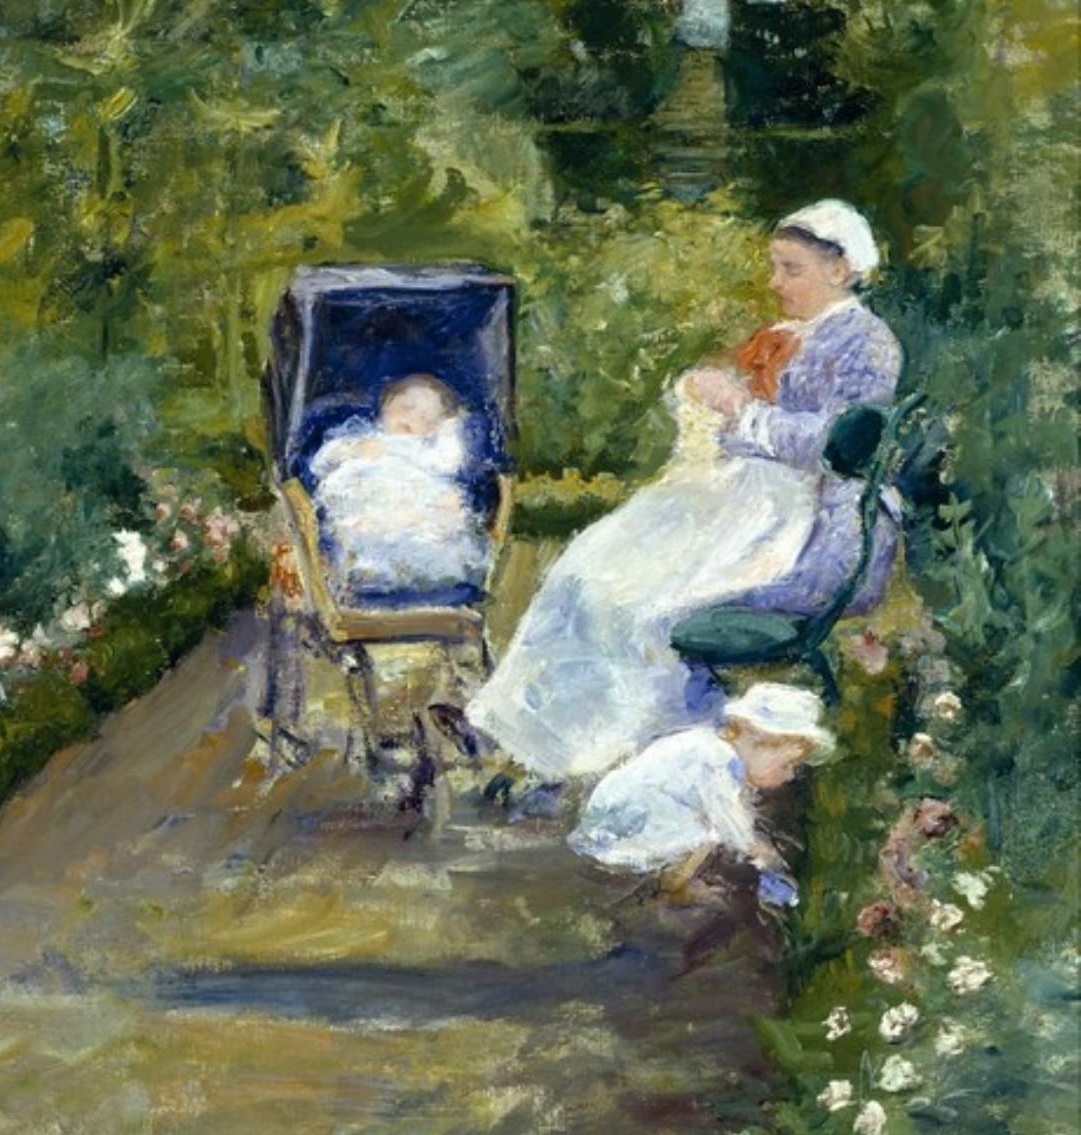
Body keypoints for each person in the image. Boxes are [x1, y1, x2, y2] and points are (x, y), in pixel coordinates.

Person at [434, 199, 902, 783]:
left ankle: (624, 757)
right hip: (745, 500)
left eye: (792, 269)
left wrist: (742, 411)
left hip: (812, 529)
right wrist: (713, 403)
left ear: (841, 269)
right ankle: (515, 734)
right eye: (776, 268)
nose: (775, 283)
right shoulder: (788, 335)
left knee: (637, 609)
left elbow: (839, 447)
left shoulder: (867, 342)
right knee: (582, 573)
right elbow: (751, 429)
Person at [567, 683, 835, 907]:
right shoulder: (717, 760)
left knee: (705, 828)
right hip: (623, 829)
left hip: (613, 817)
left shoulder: (707, 745)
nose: (789, 776)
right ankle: (672, 891)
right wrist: (764, 857)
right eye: (786, 765)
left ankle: (672, 883)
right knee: (709, 834)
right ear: (759, 742)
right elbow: (732, 825)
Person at [309, 374, 488, 599]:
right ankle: (368, 569)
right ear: (386, 405)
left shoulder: (425, 451)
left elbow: (450, 460)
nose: (411, 417)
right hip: (366, 501)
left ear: (434, 428)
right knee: (363, 532)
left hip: (410, 505)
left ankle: (404, 569)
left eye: (425, 417)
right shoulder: (363, 437)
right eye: (407, 406)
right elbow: (320, 463)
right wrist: (354, 449)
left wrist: (451, 424)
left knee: (431, 525)